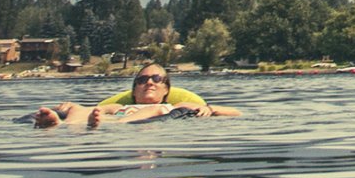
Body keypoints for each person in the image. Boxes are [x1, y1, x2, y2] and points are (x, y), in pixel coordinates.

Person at [31, 61, 240, 129]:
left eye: (156, 79)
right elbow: (95, 109)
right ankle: (59, 125)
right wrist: (70, 108)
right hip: (114, 118)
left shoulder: (176, 103)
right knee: (80, 108)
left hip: (132, 122)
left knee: (156, 108)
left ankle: (105, 124)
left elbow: (236, 112)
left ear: (166, 89)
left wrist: (210, 109)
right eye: (141, 80)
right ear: (133, 90)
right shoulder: (117, 106)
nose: (148, 82)